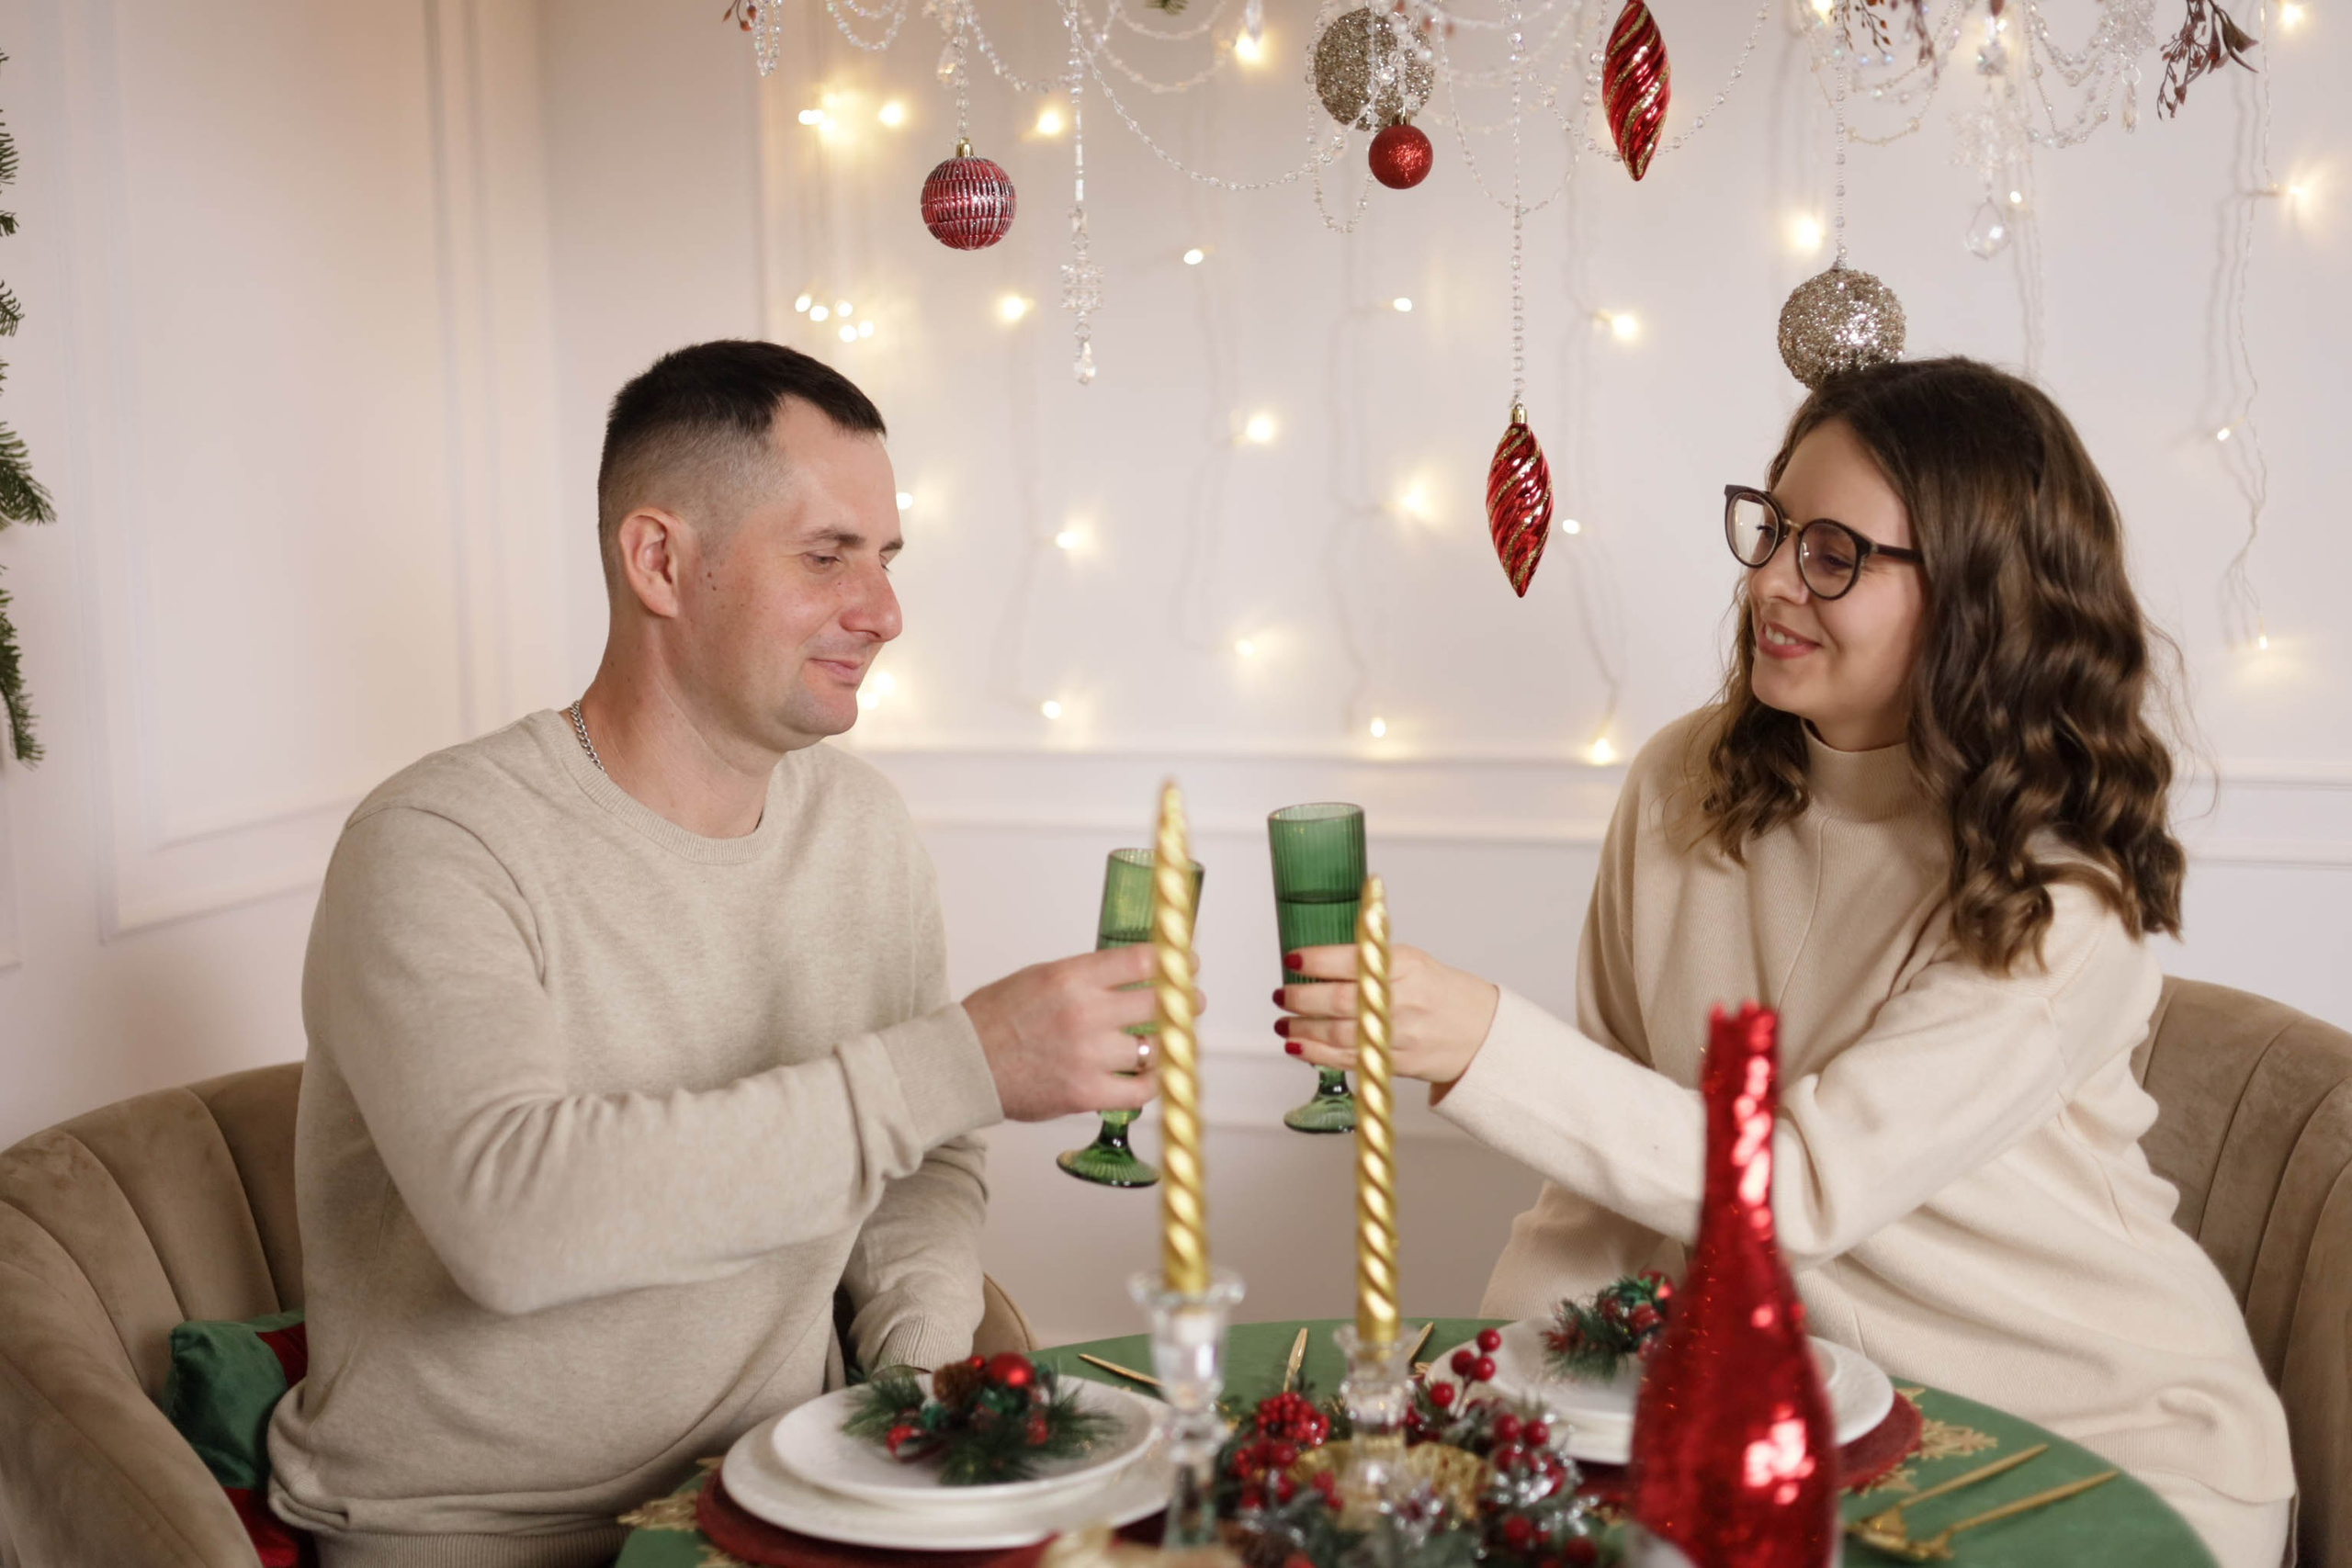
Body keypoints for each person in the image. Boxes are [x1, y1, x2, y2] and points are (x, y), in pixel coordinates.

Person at [1274, 357, 2296, 1563]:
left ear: (1976, 594)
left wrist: (1480, 1040)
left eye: (1834, 554)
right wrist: (1495, 1398)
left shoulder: (2063, 896)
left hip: (2090, 1444)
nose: (1769, 583)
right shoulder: (1682, 784)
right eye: (1771, 531)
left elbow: (1799, 1189)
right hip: (1811, 1424)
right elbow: (1604, 1169)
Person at [269, 341, 1176, 1568]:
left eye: (888, 559)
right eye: (827, 556)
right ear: (660, 561)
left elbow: (918, 1167)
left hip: (785, 1501)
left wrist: (914, 1392)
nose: (885, 612)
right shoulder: (436, 843)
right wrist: (960, 1062)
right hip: (483, 1539)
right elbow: (515, 1226)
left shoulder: (860, 828)